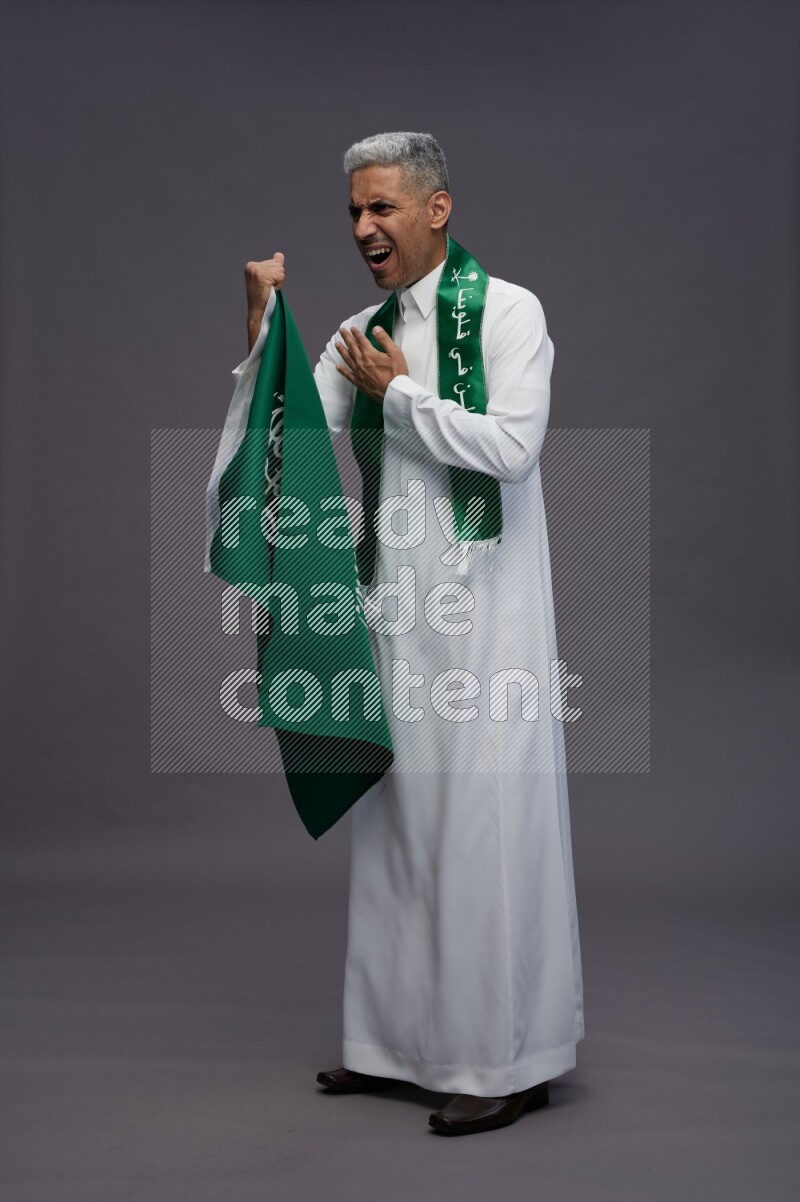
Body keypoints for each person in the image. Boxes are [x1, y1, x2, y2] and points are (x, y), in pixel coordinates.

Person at [233, 131, 584, 1136]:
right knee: (399, 828)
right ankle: (393, 1044)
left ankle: (508, 1056)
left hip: (486, 620)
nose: (361, 228)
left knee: (483, 832)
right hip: (395, 609)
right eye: (352, 210)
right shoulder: (358, 329)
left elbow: (511, 449)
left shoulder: (508, 311)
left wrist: (402, 396)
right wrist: (261, 325)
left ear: (435, 209)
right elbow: (288, 437)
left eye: (380, 207)